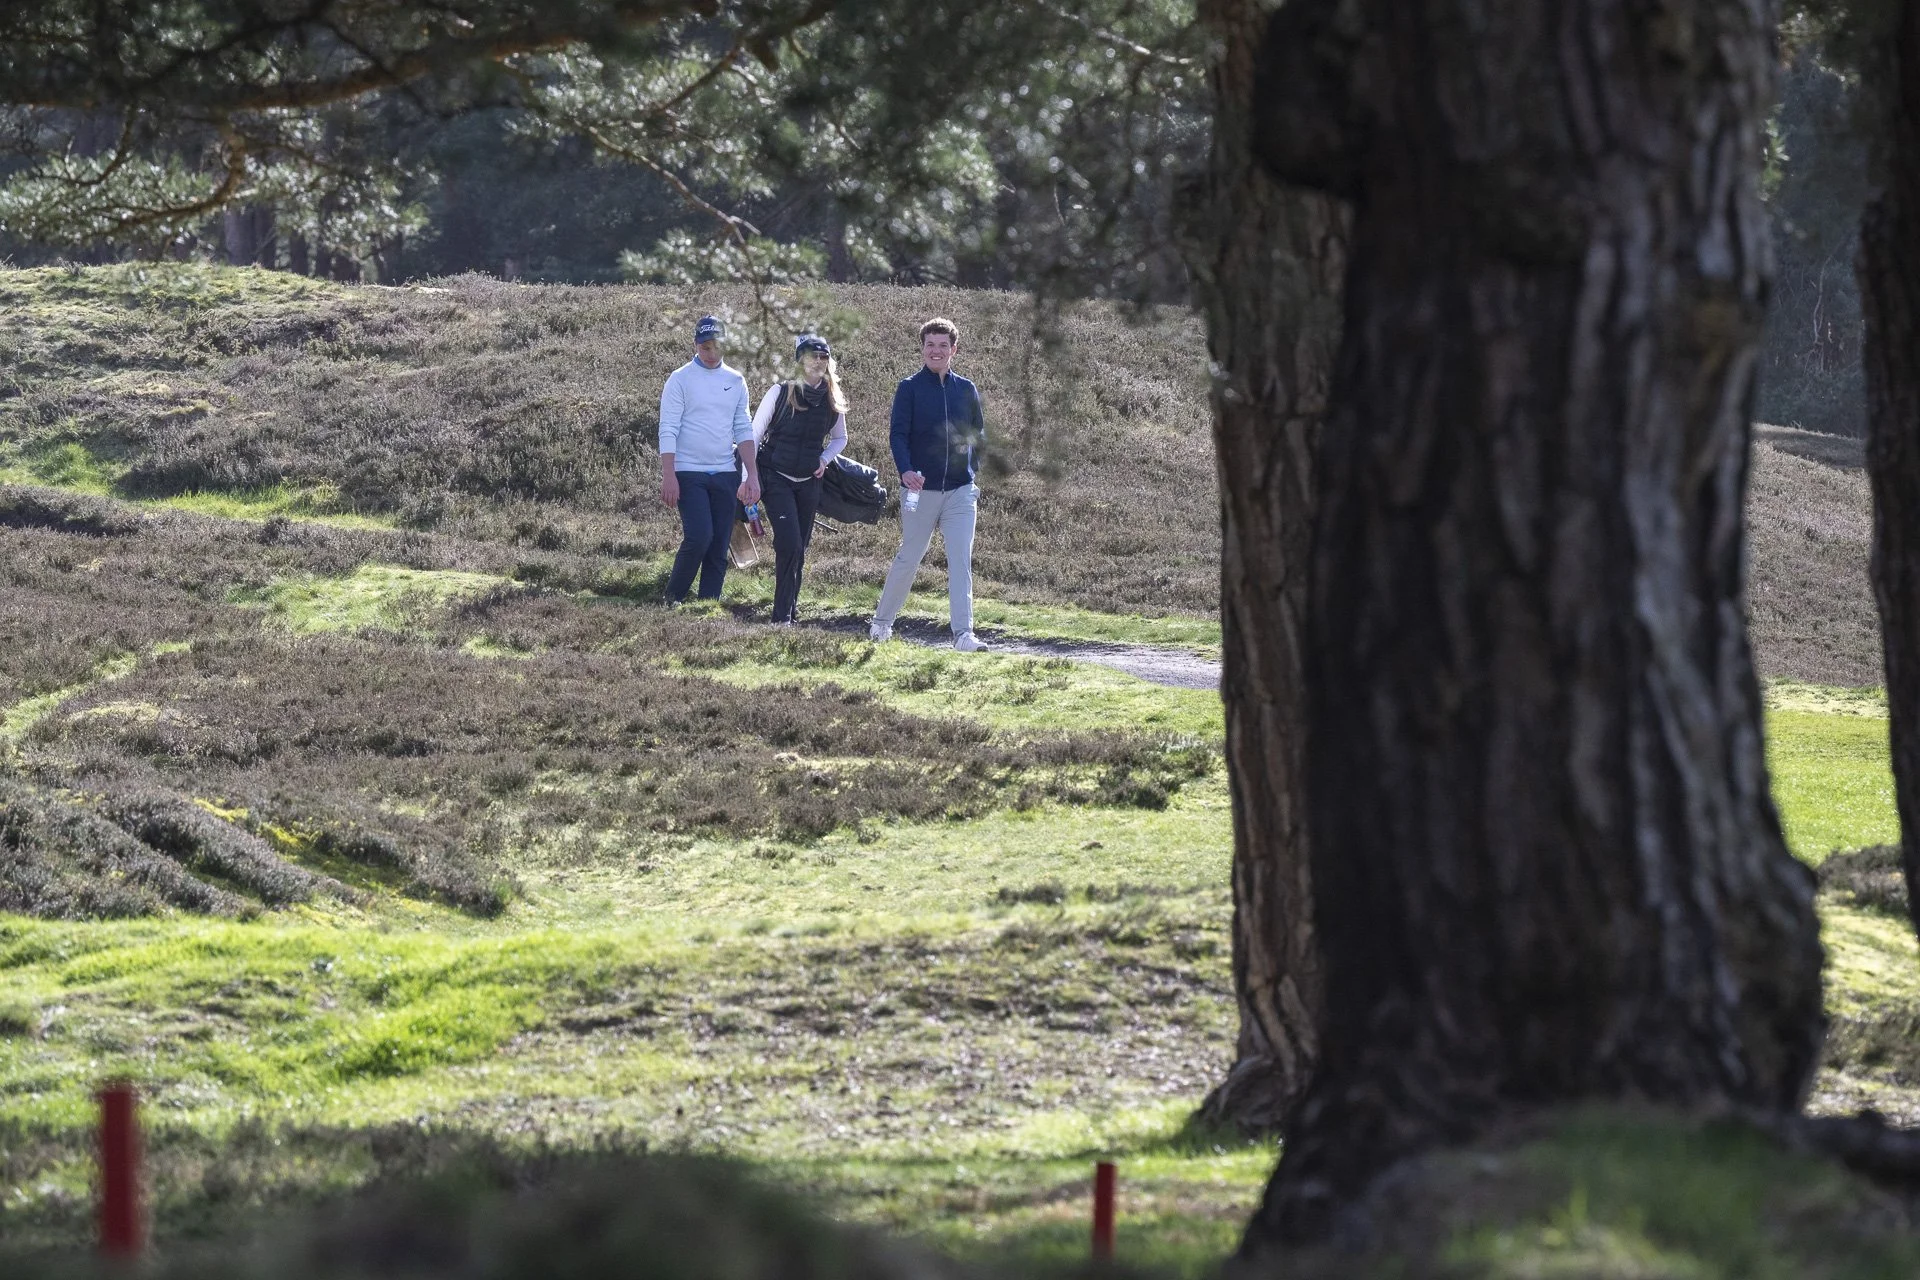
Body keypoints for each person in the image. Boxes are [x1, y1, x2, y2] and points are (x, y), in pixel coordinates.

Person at [869, 317, 987, 651]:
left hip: (961, 492)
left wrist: (971, 467)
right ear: (922, 348)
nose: (936, 351)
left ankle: (963, 635)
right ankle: (881, 625)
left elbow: (979, 433)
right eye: (930, 345)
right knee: (910, 557)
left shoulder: (966, 389)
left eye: (943, 345)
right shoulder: (909, 387)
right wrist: (906, 470)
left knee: (961, 562)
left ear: (954, 350)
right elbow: (898, 434)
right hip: (920, 492)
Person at [658, 315, 760, 604]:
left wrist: (751, 475)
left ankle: (707, 605)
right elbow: (668, 428)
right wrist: (669, 474)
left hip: (726, 472)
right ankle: (672, 598)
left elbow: (743, 428)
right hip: (688, 472)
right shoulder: (679, 379)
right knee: (699, 536)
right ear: (695, 345)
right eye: (705, 347)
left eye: (716, 346)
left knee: (718, 545)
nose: (711, 353)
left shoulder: (736, 380)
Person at [751, 334, 849, 625]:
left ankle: (791, 609)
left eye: (823, 357)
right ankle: (780, 618)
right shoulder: (780, 392)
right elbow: (754, 435)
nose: (817, 362)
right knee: (790, 544)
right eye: (810, 356)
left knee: (801, 547)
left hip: (809, 481)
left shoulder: (833, 397)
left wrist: (824, 459)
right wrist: (749, 479)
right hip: (775, 477)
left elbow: (840, 439)